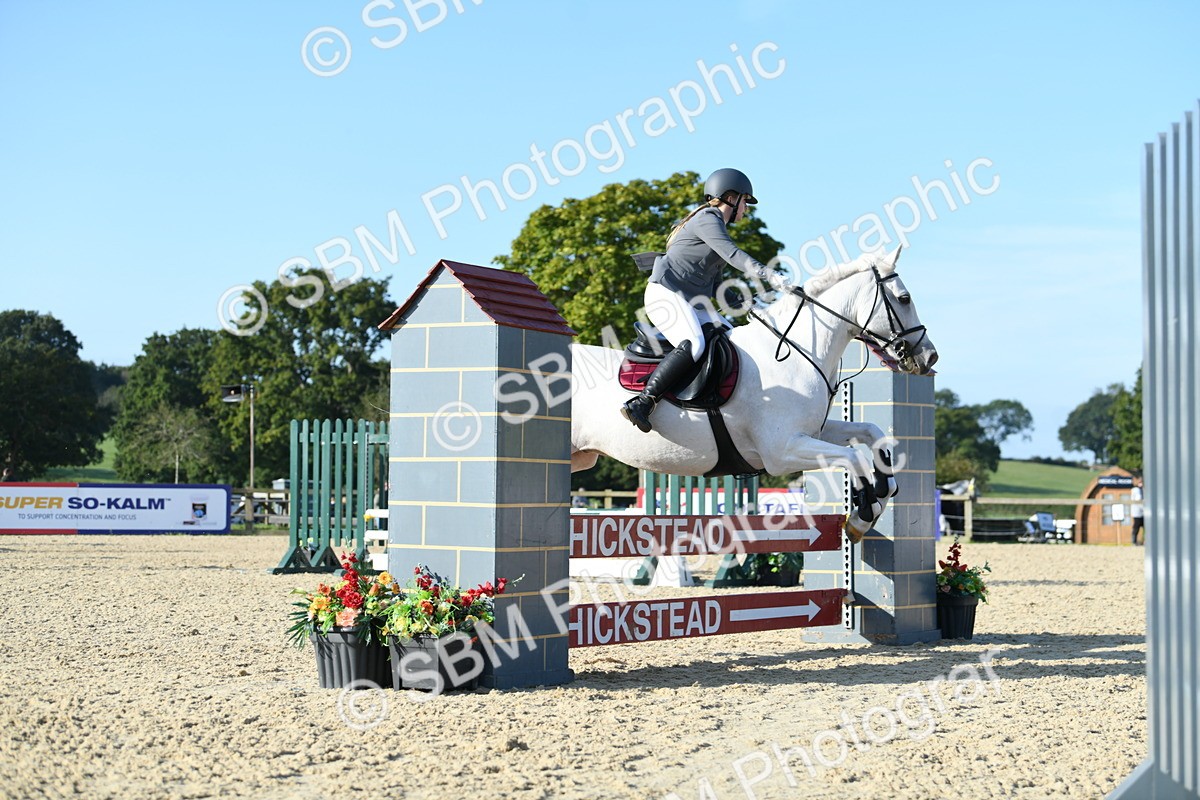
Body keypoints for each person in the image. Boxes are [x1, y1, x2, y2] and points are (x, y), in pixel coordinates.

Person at [621, 168, 784, 432]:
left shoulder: (716, 227)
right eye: (745, 202)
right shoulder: (707, 218)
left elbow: (717, 286)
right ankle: (643, 402)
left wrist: (749, 306)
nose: (746, 209)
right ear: (731, 197)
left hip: (692, 301)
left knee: (734, 340)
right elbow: (733, 255)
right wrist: (769, 274)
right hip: (666, 294)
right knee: (694, 344)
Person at [1130, 476, 1145, 546]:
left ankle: (1143, 540)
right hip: (1138, 512)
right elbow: (1138, 500)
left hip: (1142, 512)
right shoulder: (1136, 490)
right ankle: (1134, 541)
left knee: (1144, 527)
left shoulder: (1142, 490)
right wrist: (1144, 508)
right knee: (1136, 527)